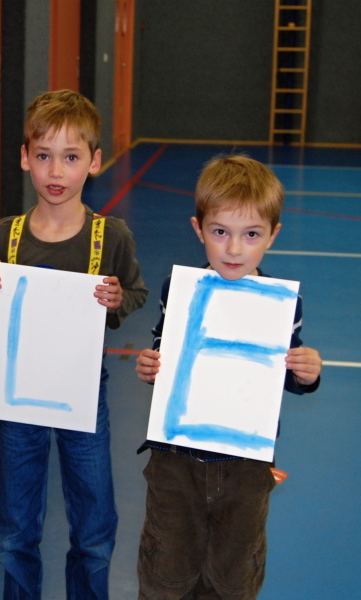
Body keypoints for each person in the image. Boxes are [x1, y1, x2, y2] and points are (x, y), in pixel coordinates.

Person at [0, 89, 148, 600]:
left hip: (82, 393)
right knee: (14, 522)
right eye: (44, 156)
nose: (56, 171)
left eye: (71, 158)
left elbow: (136, 292)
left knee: (94, 522)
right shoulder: (3, 237)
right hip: (18, 397)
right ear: (25, 158)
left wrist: (117, 299)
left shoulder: (110, 236)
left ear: (94, 162)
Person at [134, 155, 322, 600]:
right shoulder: (177, 291)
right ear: (198, 229)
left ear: (273, 235)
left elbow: (284, 375)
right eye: (220, 232)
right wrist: (151, 366)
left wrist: (306, 373)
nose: (234, 249)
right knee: (166, 570)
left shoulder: (283, 307)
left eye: (251, 234)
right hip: (176, 461)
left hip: (246, 468)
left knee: (233, 576)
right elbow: (165, 349)